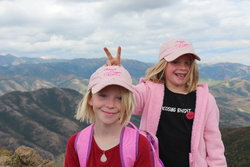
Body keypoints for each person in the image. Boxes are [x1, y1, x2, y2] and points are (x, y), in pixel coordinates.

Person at [104, 39, 227, 167]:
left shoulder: (205, 100)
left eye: (188, 63)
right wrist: (117, 75)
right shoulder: (148, 91)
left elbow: (214, 145)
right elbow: (127, 99)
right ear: (163, 64)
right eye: (175, 62)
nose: (183, 68)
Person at [64, 65, 154, 167]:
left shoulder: (140, 144)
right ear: (90, 99)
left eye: (119, 98)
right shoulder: (76, 144)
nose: (110, 105)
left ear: (127, 102)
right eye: (103, 95)